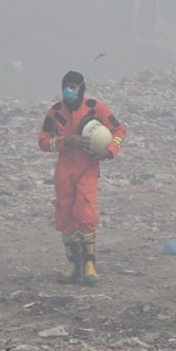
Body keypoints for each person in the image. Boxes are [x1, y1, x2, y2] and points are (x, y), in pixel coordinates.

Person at [38, 70, 126, 285]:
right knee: (65, 213)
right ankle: (72, 265)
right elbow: (43, 141)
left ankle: (89, 265)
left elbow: (120, 131)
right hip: (65, 167)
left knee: (86, 212)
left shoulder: (96, 108)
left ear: (81, 88)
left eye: (73, 86)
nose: (69, 91)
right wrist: (66, 141)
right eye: (66, 86)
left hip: (88, 166)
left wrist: (109, 151)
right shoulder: (55, 112)